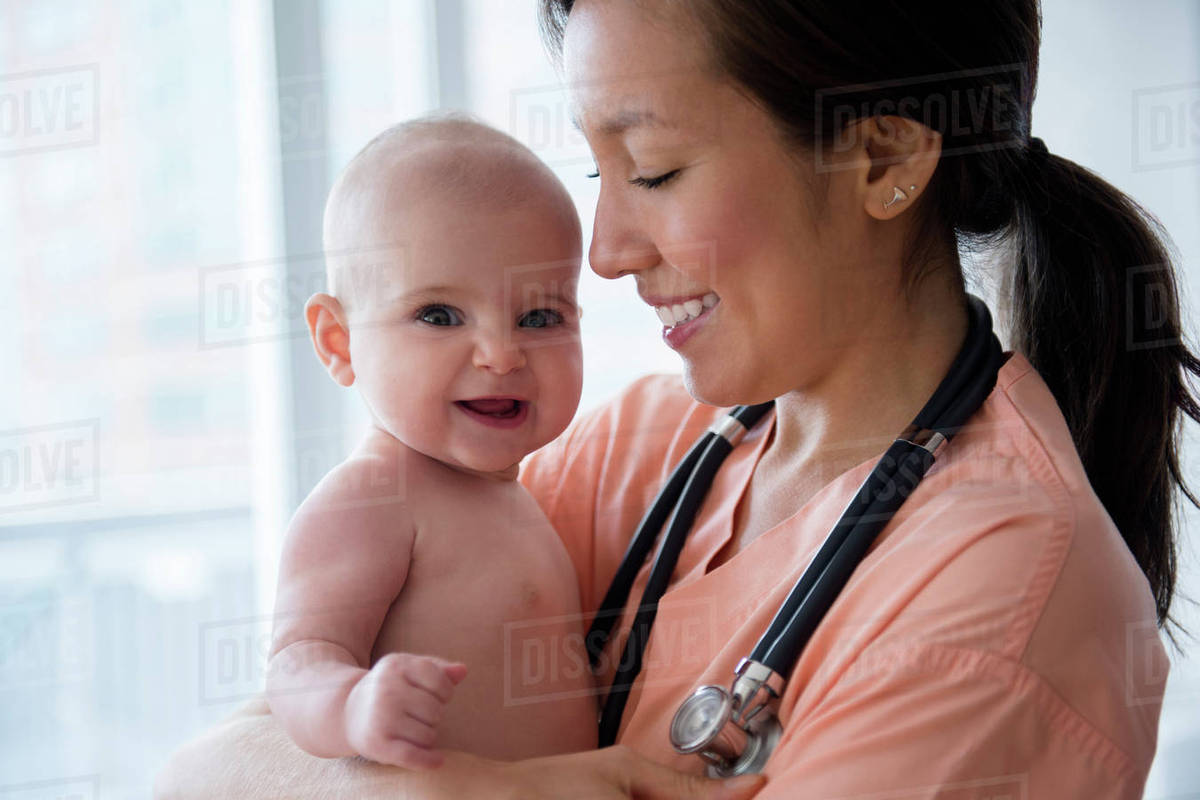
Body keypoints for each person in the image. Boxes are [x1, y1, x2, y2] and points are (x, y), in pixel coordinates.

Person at [156, 1, 1200, 797]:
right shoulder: (647, 446)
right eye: (598, 170)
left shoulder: (996, 601)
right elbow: (214, 766)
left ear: (883, 157)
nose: (603, 252)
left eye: (651, 169)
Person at [263, 115, 597, 769]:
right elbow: (297, 661)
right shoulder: (374, 496)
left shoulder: (516, 498)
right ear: (340, 341)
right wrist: (352, 706)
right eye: (439, 316)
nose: (501, 354)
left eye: (539, 316)